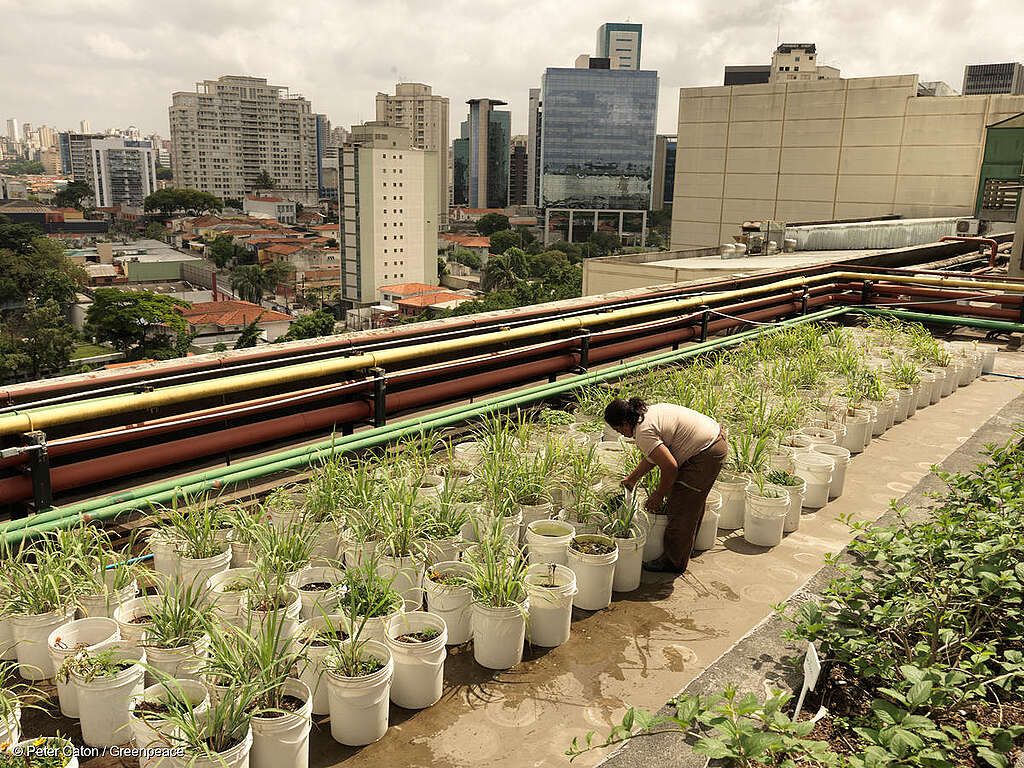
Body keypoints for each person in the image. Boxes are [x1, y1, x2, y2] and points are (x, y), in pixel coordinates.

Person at [604, 397, 727, 574]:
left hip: (706, 453)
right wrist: (632, 478)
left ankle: (673, 562)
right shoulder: (646, 414)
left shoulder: (643, 431)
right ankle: (684, 549)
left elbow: (670, 466)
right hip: (713, 440)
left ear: (625, 423)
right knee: (692, 502)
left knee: (679, 506)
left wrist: (658, 495)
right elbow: (655, 456)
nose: (621, 434)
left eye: (618, 429)